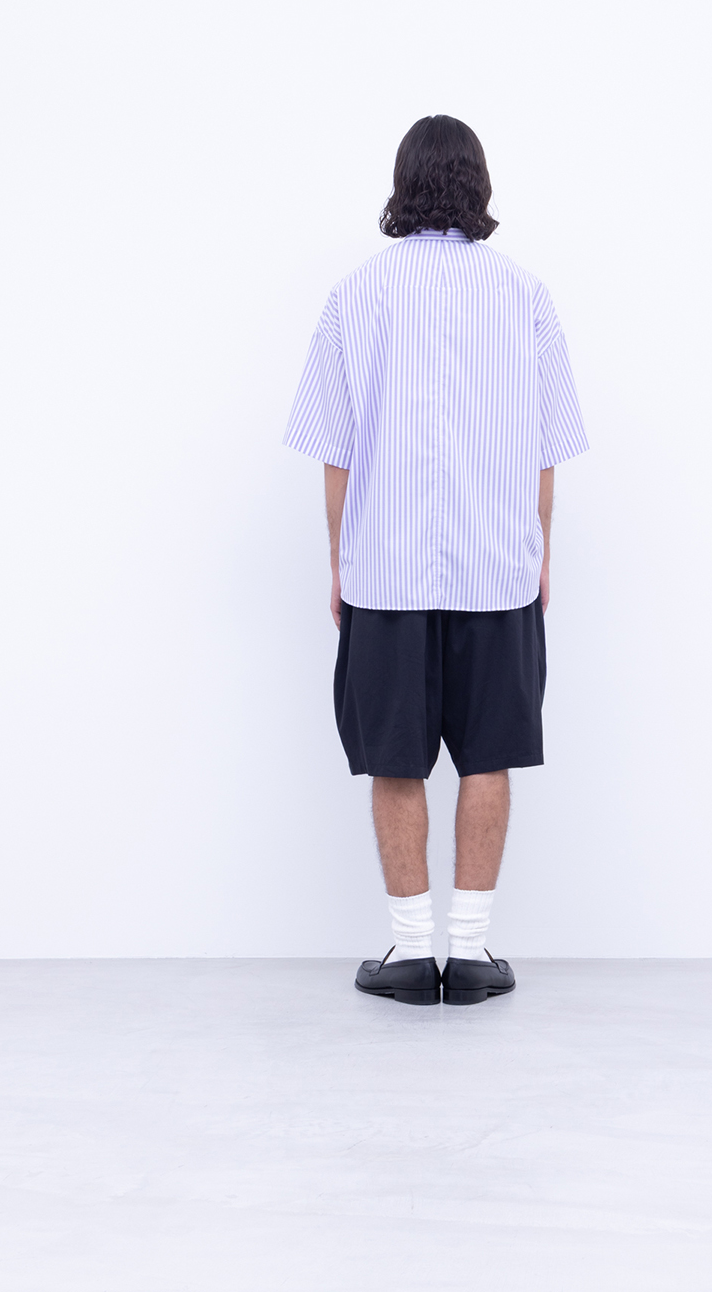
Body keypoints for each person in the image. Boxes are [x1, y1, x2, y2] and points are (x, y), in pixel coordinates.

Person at [283, 115, 588, 1006]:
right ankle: (475, 952)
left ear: (402, 184)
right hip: (499, 567)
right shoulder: (525, 294)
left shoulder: (357, 294)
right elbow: (546, 451)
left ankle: (412, 954)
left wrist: (339, 559)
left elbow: (334, 450)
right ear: (479, 185)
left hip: (385, 569)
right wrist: (540, 551)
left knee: (395, 756)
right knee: (488, 753)